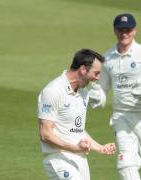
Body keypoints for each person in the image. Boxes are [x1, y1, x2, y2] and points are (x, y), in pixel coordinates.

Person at [89, 13, 141, 180]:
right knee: (126, 164)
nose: (124, 33)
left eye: (128, 30)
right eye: (120, 30)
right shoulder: (108, 59)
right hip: (122, 116)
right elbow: (103, 89)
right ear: (114, 31)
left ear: (135, 31)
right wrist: (97, 96)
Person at [37, 49, 116, 180]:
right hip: (58, 159)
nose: (98, 78)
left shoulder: (83, 93)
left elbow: (77, 130)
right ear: (83, 69)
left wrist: (100, 148)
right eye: (96, 73)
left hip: (79, 158)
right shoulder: (53, 91)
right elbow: (45, 134)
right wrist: (74, 148)